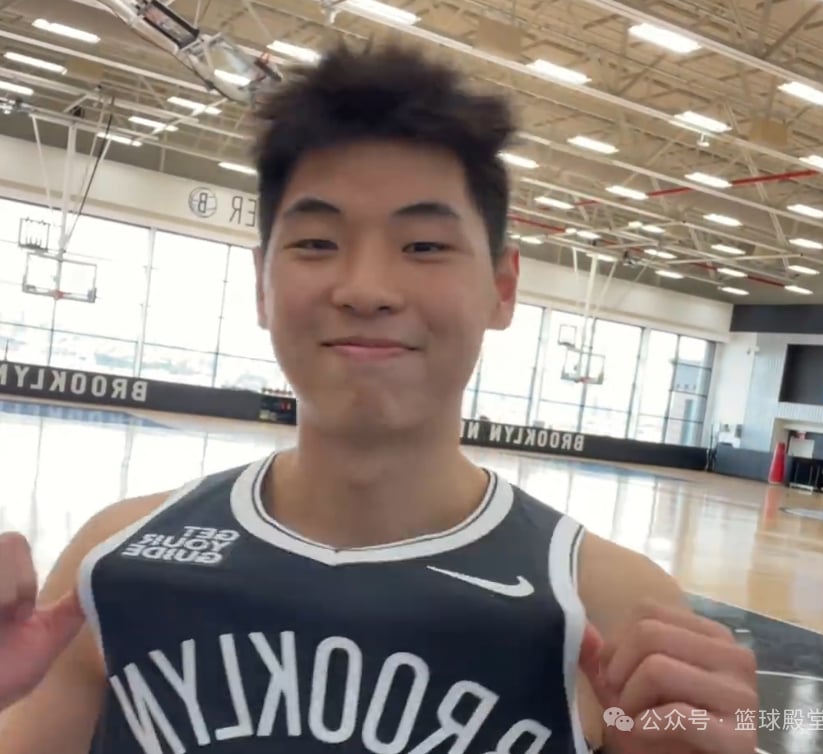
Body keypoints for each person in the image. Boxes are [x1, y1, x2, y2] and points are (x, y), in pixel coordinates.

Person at [0, 43, 757, 754]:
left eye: (424, 245)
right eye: (316, 243)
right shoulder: (113, 563)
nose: (365, 289)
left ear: (502, 287)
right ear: (262, 282)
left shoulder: (612, 607)